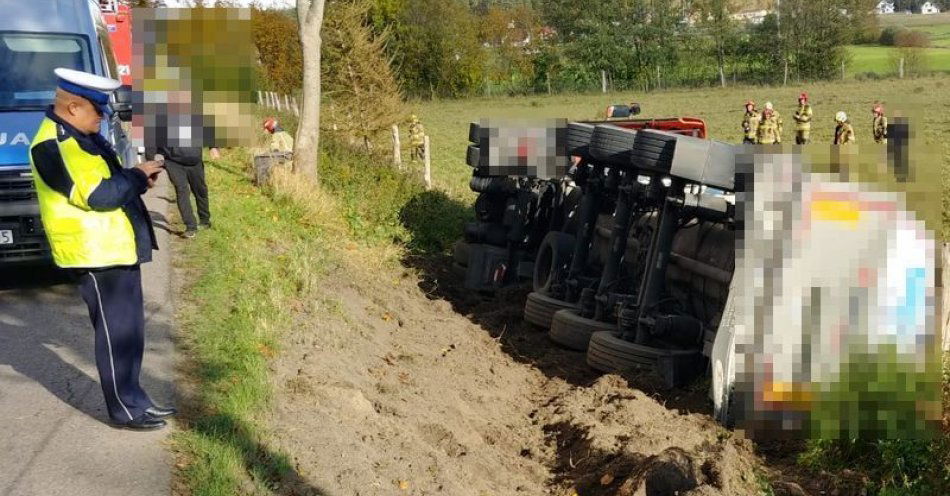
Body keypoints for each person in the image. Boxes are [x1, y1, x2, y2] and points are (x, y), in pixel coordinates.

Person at [29, 68, 174, 430]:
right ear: (74, 107)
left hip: (115, 250)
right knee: (115, 336)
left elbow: (107, 183)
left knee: (130, 333)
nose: (104, 117)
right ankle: (124, 410)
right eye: (99, 110)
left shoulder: (80, 136)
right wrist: (137, 176)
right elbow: (99, 195)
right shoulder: (55, 144)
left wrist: (136, 179)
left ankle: (137, 399)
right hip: (94, 254)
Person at [145, 146, 210, 239]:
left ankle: (205, 220)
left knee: (200, 190)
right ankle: (191, 226)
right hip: (173, 161)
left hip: (195, 160)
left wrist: (213, 147)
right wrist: (150, 161)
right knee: (182, 190)